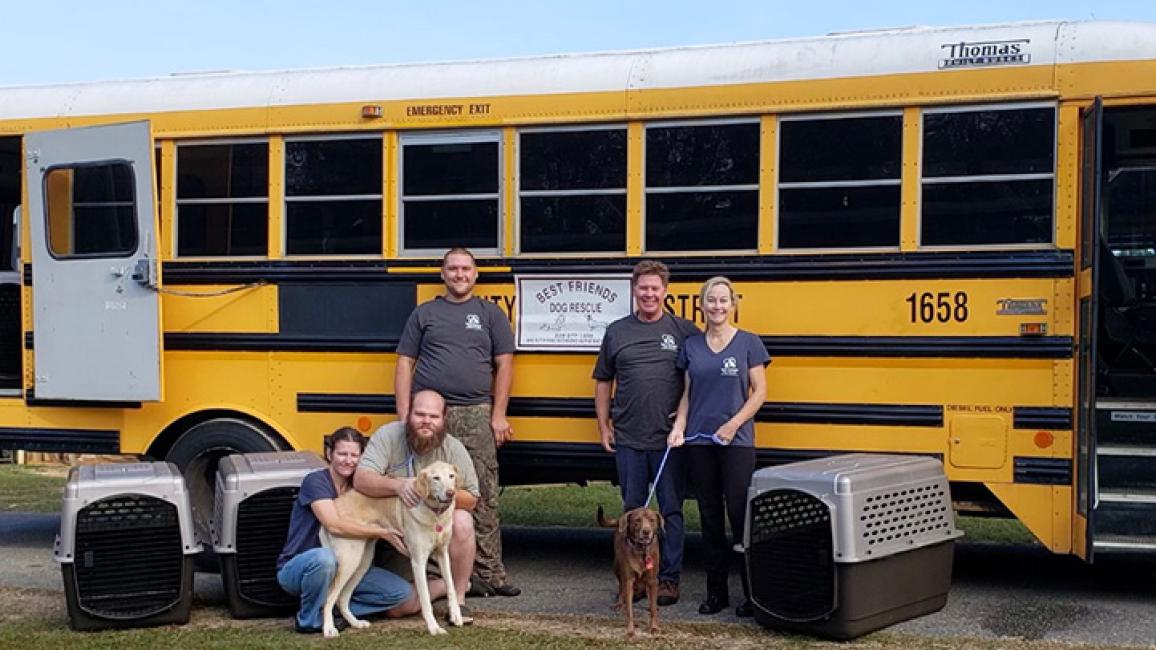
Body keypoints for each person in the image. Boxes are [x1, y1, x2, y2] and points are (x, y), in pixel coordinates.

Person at [393, 247, 520, 597]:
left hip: (476, 412)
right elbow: (405, 362)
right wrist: (405, 413)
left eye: (466, 269)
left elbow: (505, 364)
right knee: (431, 491)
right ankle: (439, 576)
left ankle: (491, 572)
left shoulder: (490, 314)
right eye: (453, 269)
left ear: (475, 275)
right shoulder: (425, 314)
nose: (459, 274)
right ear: (443, 274)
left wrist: (498, 414)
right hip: (431, 415)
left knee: (482, 493)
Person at [593, 259, 700, 607]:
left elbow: (701, 375)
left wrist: (686, 413)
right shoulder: (617, 331)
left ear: (665, 292)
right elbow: (603, 381)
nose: (649, 294)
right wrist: (603, 423)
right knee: (632, 513)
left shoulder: (684, 331)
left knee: (669, 512)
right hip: (628, 437)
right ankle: (633, 580)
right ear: (634, 290)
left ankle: (667, 579)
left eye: (655, 288)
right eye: (643, 288)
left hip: (668, 439)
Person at [668, 276, 769, 618]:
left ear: (733, 304)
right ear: (702, 304)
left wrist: (732, 424)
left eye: (724, 300)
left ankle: (752, 596)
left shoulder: (749, 343)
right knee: (709, 518)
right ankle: (717, 593)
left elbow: (760, 392)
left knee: (740, 517)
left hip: (736, 443)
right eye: (711, 300)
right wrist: (680, 426)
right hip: (699, 441)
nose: (718, 306)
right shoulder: (692, 347)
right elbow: (687, 394)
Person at [276, 427, 438, 634]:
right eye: (342, 454)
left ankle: (338, 609)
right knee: (325, 559)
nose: (348, 460)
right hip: (303, 565)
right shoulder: (316, 481)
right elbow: (333, 525)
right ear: (329, 454)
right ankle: (310, 618)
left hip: (344, 561)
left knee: (399, 593)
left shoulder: (360, 487)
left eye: (355, 455)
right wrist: (380, 532)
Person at [354, 389, 482, 618]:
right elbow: (360, 480)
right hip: (395, 532)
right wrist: (398, 486)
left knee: (463, 520)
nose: (426, 422)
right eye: (420, 414)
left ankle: (459, 598)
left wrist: (434, 491)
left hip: (435, 526)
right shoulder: (388, 436)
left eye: (433, 417)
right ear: (408, 414)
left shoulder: (452, 448)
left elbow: (472, 498)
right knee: (398, 607)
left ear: (444, 419)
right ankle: (444, 584)